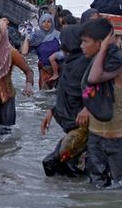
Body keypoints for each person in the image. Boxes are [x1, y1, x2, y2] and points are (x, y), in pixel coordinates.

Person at [81, 18, 122, 188]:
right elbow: (93, 91)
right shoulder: (95, 62)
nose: (81, 45)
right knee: (96, 189)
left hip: (118, 138)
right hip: (95, 137)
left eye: (85, 41)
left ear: (99, 43)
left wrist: (104, 49)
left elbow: (93, 79)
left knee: (121, 189)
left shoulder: (117, 64)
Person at [41, 25, 90, 177]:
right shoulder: (69, 62)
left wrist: (87, 108)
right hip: (73, 125)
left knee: (51, 162)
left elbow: (92, 89)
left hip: (81, 127)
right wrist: (53, 111)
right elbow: (66, 93)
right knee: (65, 164)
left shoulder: (85, 63)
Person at [22, 13, 61, 90]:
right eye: (43, 21)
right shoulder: (36, 37)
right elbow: (24, 52)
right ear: (40, 23)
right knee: (45, 96)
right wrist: (27, 38)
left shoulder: (59, 35)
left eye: (49, 22)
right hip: (45, 71)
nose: (46, 24)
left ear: (52, 23)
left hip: (60, 70)